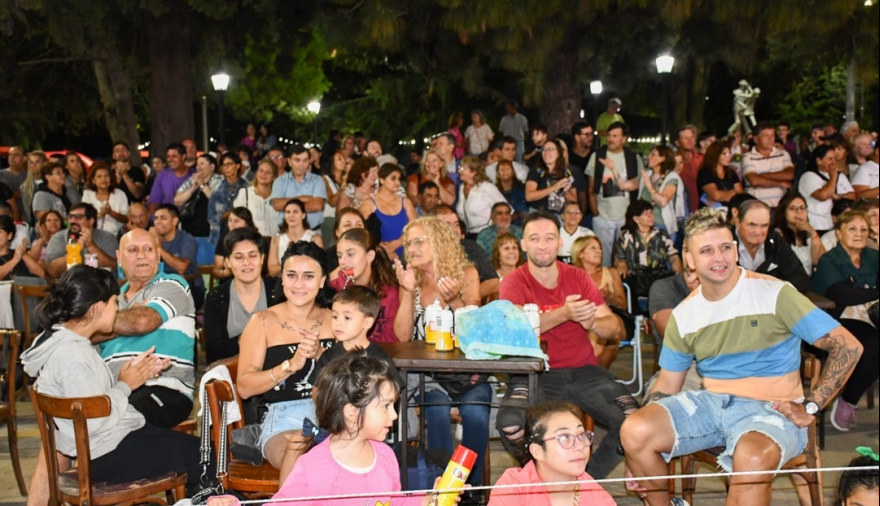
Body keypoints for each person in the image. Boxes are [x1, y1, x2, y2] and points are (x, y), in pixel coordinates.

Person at [621, 207, 863, 506]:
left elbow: (848, 346)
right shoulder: (685, 313)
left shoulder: (774, 293)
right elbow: (667, 385)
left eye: (725, 247)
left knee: (752, 456)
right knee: (636, 430)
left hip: (771, 407)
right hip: (711, 403)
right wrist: (635, 453)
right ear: (690, 260)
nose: (719, 258)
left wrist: (811, 407)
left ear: (736, 250)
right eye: (706, 250)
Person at [20, 266, 204, 503]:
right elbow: (93, 420)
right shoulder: (72, 354)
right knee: (207, 456)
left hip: (105, 447)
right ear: (98, 307)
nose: (117, 310)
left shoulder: (66, 343)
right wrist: (126, 385)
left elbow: (90, 399)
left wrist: (130, 375)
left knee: (198, 450)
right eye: (115, 303)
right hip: (107, 453)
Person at [208, 351, 445, 506]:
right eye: (385, 406)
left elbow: (394, 502)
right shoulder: (314, 467)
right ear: (352, 412)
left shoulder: (384, 455)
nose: (394, 415)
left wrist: (430, 499)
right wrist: (231, 503)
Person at [496, 210, 631, 479]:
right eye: (534, 238)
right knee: (511, 424)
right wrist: (564, 313)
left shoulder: (578, 277)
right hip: (537, 372)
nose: (542, 245)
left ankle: (585, 480)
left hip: (583, 370)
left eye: (549, 238)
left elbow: (615, 328)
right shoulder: (513, 282)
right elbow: (515, 332)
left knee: (632, 420)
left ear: (560, 243)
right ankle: (541, 479)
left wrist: (592, 322)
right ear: (524, 244)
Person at [393, 217, 490, 490]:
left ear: (439, 241)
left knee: (476, 412)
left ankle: (471, 489)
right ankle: (443, 486)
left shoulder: (467, 274)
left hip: (466, 373)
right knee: (436, 409)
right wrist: (406, 291)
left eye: (418, 241)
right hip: (426, 375)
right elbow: (402, 336)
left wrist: (455, 300)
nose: (411, 248)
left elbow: (476, 332)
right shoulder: (412, 280)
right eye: (408, 243)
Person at [236, 241, 335, 481]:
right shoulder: (262, 321)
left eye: (308, 276)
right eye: (291, 275)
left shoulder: (336, 319)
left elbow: (354, 374)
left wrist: (322, 354)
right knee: (302, 455)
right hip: (283, 418)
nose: (298, 284)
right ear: (282, 278)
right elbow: (245, 387)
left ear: (322, 281)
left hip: (333, 414)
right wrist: (290, 366)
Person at [93, 228, 197, 429]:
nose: (141, 255)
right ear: (119, 258)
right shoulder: (110, 300)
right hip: (116, 389)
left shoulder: (173, 284)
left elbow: (142, 322)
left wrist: (99, 324)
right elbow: (85, 338)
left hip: (164, 387)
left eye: (148, 249)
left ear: (158, 255)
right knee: (75, 415)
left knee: (122, 419)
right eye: (133, 250)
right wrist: (125, 317)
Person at [812, 210, 879, 432]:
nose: (858, 234)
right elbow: (842, 295)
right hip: (840, 318)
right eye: (852, 229)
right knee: (874, 346)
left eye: (863, 229)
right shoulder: (829, 260)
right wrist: (873, 292)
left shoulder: (874, 256)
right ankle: (848, 400)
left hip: (872, 315)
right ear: (839, 233)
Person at [488, 401, 614, 506]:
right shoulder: (513, 489)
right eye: (565, 437)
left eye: (581, 435)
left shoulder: (598, 499)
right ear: (537, 451)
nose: (580, 446)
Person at [204, 227, 278, 364]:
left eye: (252, 255)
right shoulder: (216, 297)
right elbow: (212, 350)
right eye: (238, 257)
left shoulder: (278, 291)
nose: (246, 263)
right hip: (231, 369)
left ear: (262, 258)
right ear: (228, 262)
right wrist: (243, 339)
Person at [313, 287, 402, 387]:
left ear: (367, 323)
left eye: (347, 318)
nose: (338, 323)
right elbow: (316, 389)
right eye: (335, 316)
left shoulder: (379, 357)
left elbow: (394, 389)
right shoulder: (329, 356)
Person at [586, 121, 644, 266]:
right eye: (609, 135)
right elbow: (591, 188)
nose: (610, 139)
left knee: (625, 256)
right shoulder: (598, 156)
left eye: (615, 136)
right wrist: (595, 213)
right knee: (602, 257)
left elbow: (639, 185)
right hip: (603, 215)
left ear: (624, 139)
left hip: (626, 216)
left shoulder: (633, 158)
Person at [330, 228, 401, 343]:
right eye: (339, 256)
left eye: (350, 254)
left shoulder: (389, 291)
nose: (343, 261)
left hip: (379, 352)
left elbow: (393, 338)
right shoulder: (335, 287)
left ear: (370, 256)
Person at [614, 200, 682, 310]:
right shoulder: (626, 236)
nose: (651, 216)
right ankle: (636, 315)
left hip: (659, 275)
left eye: (651, 213)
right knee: (628, 282)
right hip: (636, 276)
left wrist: (679, 274)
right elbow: (619, 258)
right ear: (636, 219)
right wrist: (621, 264)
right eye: (646, 214)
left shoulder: (661, 234)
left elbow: (673, 256)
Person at [571, 235, 625, 368]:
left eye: (600, 248)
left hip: (614, 317)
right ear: (580, 253)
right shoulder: (571, 275)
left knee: (605, 327)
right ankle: (596, 373)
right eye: (593, 248)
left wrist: (609, 297)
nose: (599, 251)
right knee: (608, 341)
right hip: (582, 319)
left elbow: (623, 305)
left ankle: (589, 368)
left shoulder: (611, 272)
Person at [734, 198, 811, 292]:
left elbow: (801, 278)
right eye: (752, 225)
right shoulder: (724, 244)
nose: (758, 232)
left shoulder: (775, 241)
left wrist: (774, 289)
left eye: (764, 226)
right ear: (737, 223)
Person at [430, 205, 500, 300]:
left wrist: (467, 298)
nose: (455, 230)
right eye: (448, 225)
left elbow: (494, 282)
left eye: (456, 224)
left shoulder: (470, 247)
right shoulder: (423, 252)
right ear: (432, 229)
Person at [149, 204, 205, 309]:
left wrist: (158, 248)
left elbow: (181, 267)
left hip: (188, 288)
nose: (158, 222)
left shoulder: (187, 240)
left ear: (175, 221)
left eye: (163, 218)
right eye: (156, 218)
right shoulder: (150, 240)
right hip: (159, 288)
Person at [45, 203, 118, 278]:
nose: (72, 221)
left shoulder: (107, 238)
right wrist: (75, 251)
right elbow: (52, 271)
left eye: (78, 217)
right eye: (71, 217)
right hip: (68, 283)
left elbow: (113, 267)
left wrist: (91, 245)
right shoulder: (58, 238)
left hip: (100, 282)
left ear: (91, 221)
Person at [360, 163, 416, 259]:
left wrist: (396, 243)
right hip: (378, 255)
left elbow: (416, 228)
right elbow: (360, 229)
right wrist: (380, 247)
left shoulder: (406, 202)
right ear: (382, 180)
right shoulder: (369, 203)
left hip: (407, 254)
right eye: (393, 178)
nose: (397, 182)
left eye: (399, 179)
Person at [799, 145, 857, 234]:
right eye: (830, 159)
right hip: (814, 223)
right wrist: (833, 177)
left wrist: (839, 196)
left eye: (835, 159)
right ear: (819, 160)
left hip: (831, 222)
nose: (834, 162)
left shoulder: (839, 175)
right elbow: (823, 196)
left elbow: (853, 195)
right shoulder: (808, 176)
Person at [270, 144, 327, 229]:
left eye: (305, 160)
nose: (301, 164)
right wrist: (301, 198)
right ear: (290, 162)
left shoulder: (318, 180)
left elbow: (318, 205)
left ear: (309, 161)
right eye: (297, 160)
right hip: (286, 232)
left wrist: (288, 204)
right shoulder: (280, 181)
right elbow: (277, 205)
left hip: (313, 231)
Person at [742, 122, 795, 208]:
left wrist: (761, 175)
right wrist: (781, 183)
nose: (770, 139)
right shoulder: (747, 157)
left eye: (772, 135)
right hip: (756, 208)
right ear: (756, 139)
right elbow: (754, 181)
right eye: (766, 135)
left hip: (780, 208)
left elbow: (789, 175)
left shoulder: (783, 154)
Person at [772, 192, 826, 277]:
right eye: (793, 208)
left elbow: (820, 262)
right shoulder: (777, 234)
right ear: (783, 212)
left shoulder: (808, 233)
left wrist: (813, 233)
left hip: (808, 280)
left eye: (802, 208)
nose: (799, 212)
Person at [269, 199, 323, 277]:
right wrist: (288, 261)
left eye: (295, 212)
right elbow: (272, 271)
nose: (291, 215)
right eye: (288, 212)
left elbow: (320, 267)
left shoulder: (314, 238)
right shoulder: (276, 238)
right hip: (281, 281)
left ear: (303, 215)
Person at [639, 145, 683, 236]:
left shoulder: (671, 177)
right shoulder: (648, 174)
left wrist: (650, 186)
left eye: (653, 154)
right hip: (644, 224)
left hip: (661, 225)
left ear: (663, 158)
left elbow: (663, 202)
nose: (649, 157)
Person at [457, 155, 507, 236]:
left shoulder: (487, 187)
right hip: (468, 235)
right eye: (460, 167)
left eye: (463, 168)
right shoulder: (461, 188)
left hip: (486, 234)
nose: (459, 170)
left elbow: (507, 209)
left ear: (474, 172)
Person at [209, 152, 250, 245]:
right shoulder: (217, 188)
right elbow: (211, 217)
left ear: (238, 166)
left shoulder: (247, 187)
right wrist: (228, 214)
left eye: (229, 164)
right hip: (219, 234)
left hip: (242, 234)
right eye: (223, 165)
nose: (226, 168)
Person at [525, 139, 576, 214]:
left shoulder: (566, 173)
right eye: (544, 149)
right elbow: (529, 196)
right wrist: (554, 187)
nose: (546, 152)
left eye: (550, 149)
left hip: (561, 215)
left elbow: (575, 199)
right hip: (540, 213)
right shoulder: (537, 171)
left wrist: (566, 192)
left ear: (559, 153)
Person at [233, 157, 279, 237]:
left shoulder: (279, 196)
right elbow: (237, 219)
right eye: (261, 171)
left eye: (268, 172)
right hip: (252, 240)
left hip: (275, 241)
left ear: (274, 177)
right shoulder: (245, 193)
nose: (264, 174)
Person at [212, 207, 261, 280]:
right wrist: (227, 272)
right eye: (230, 220)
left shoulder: (258, 240)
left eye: (236, 221)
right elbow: (216, 271)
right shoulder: (223, 241)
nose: (232, 224)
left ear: (247, 223)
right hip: (229, 282)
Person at [81, 162, 129, 236]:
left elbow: (126, 219)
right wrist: (99, 215)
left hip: (116, 235)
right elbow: (84, 217)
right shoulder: (87, 194)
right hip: (93, 235)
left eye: (106, 176)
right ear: (93, 180)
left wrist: (111, 212)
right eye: (99, 176)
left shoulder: (119, 194)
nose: (103, 179)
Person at [149, 143, 195, 213]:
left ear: (183, 157)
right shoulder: (162, 176)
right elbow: (153, 203)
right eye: (168, 156)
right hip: (167, 218)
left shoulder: (194, 175)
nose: (170, 160)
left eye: (174, 156)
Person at [697, 139, 743, 208]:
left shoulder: (731, 173)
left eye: (729, 153)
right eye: (724, 154)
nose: (729, 156)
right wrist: (733, 192)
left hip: (730, 210)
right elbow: (716, 195)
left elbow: (740, 195)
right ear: (715, 155)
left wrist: (724, 195)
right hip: (711, 212)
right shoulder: (705, 173)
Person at [325, 207, 370, 273]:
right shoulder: (327, 257)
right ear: (337, 232)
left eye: (359, 225)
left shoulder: (375, 252)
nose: (354, 229)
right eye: (347, 225)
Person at [495, 159, 528, 224]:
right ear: (498, 173)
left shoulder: (523, 188)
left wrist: (518, 215)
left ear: (513, 171)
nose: (505, 172)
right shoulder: (494, 191)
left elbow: (530, 209)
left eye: (507, 169)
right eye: (502, 169)